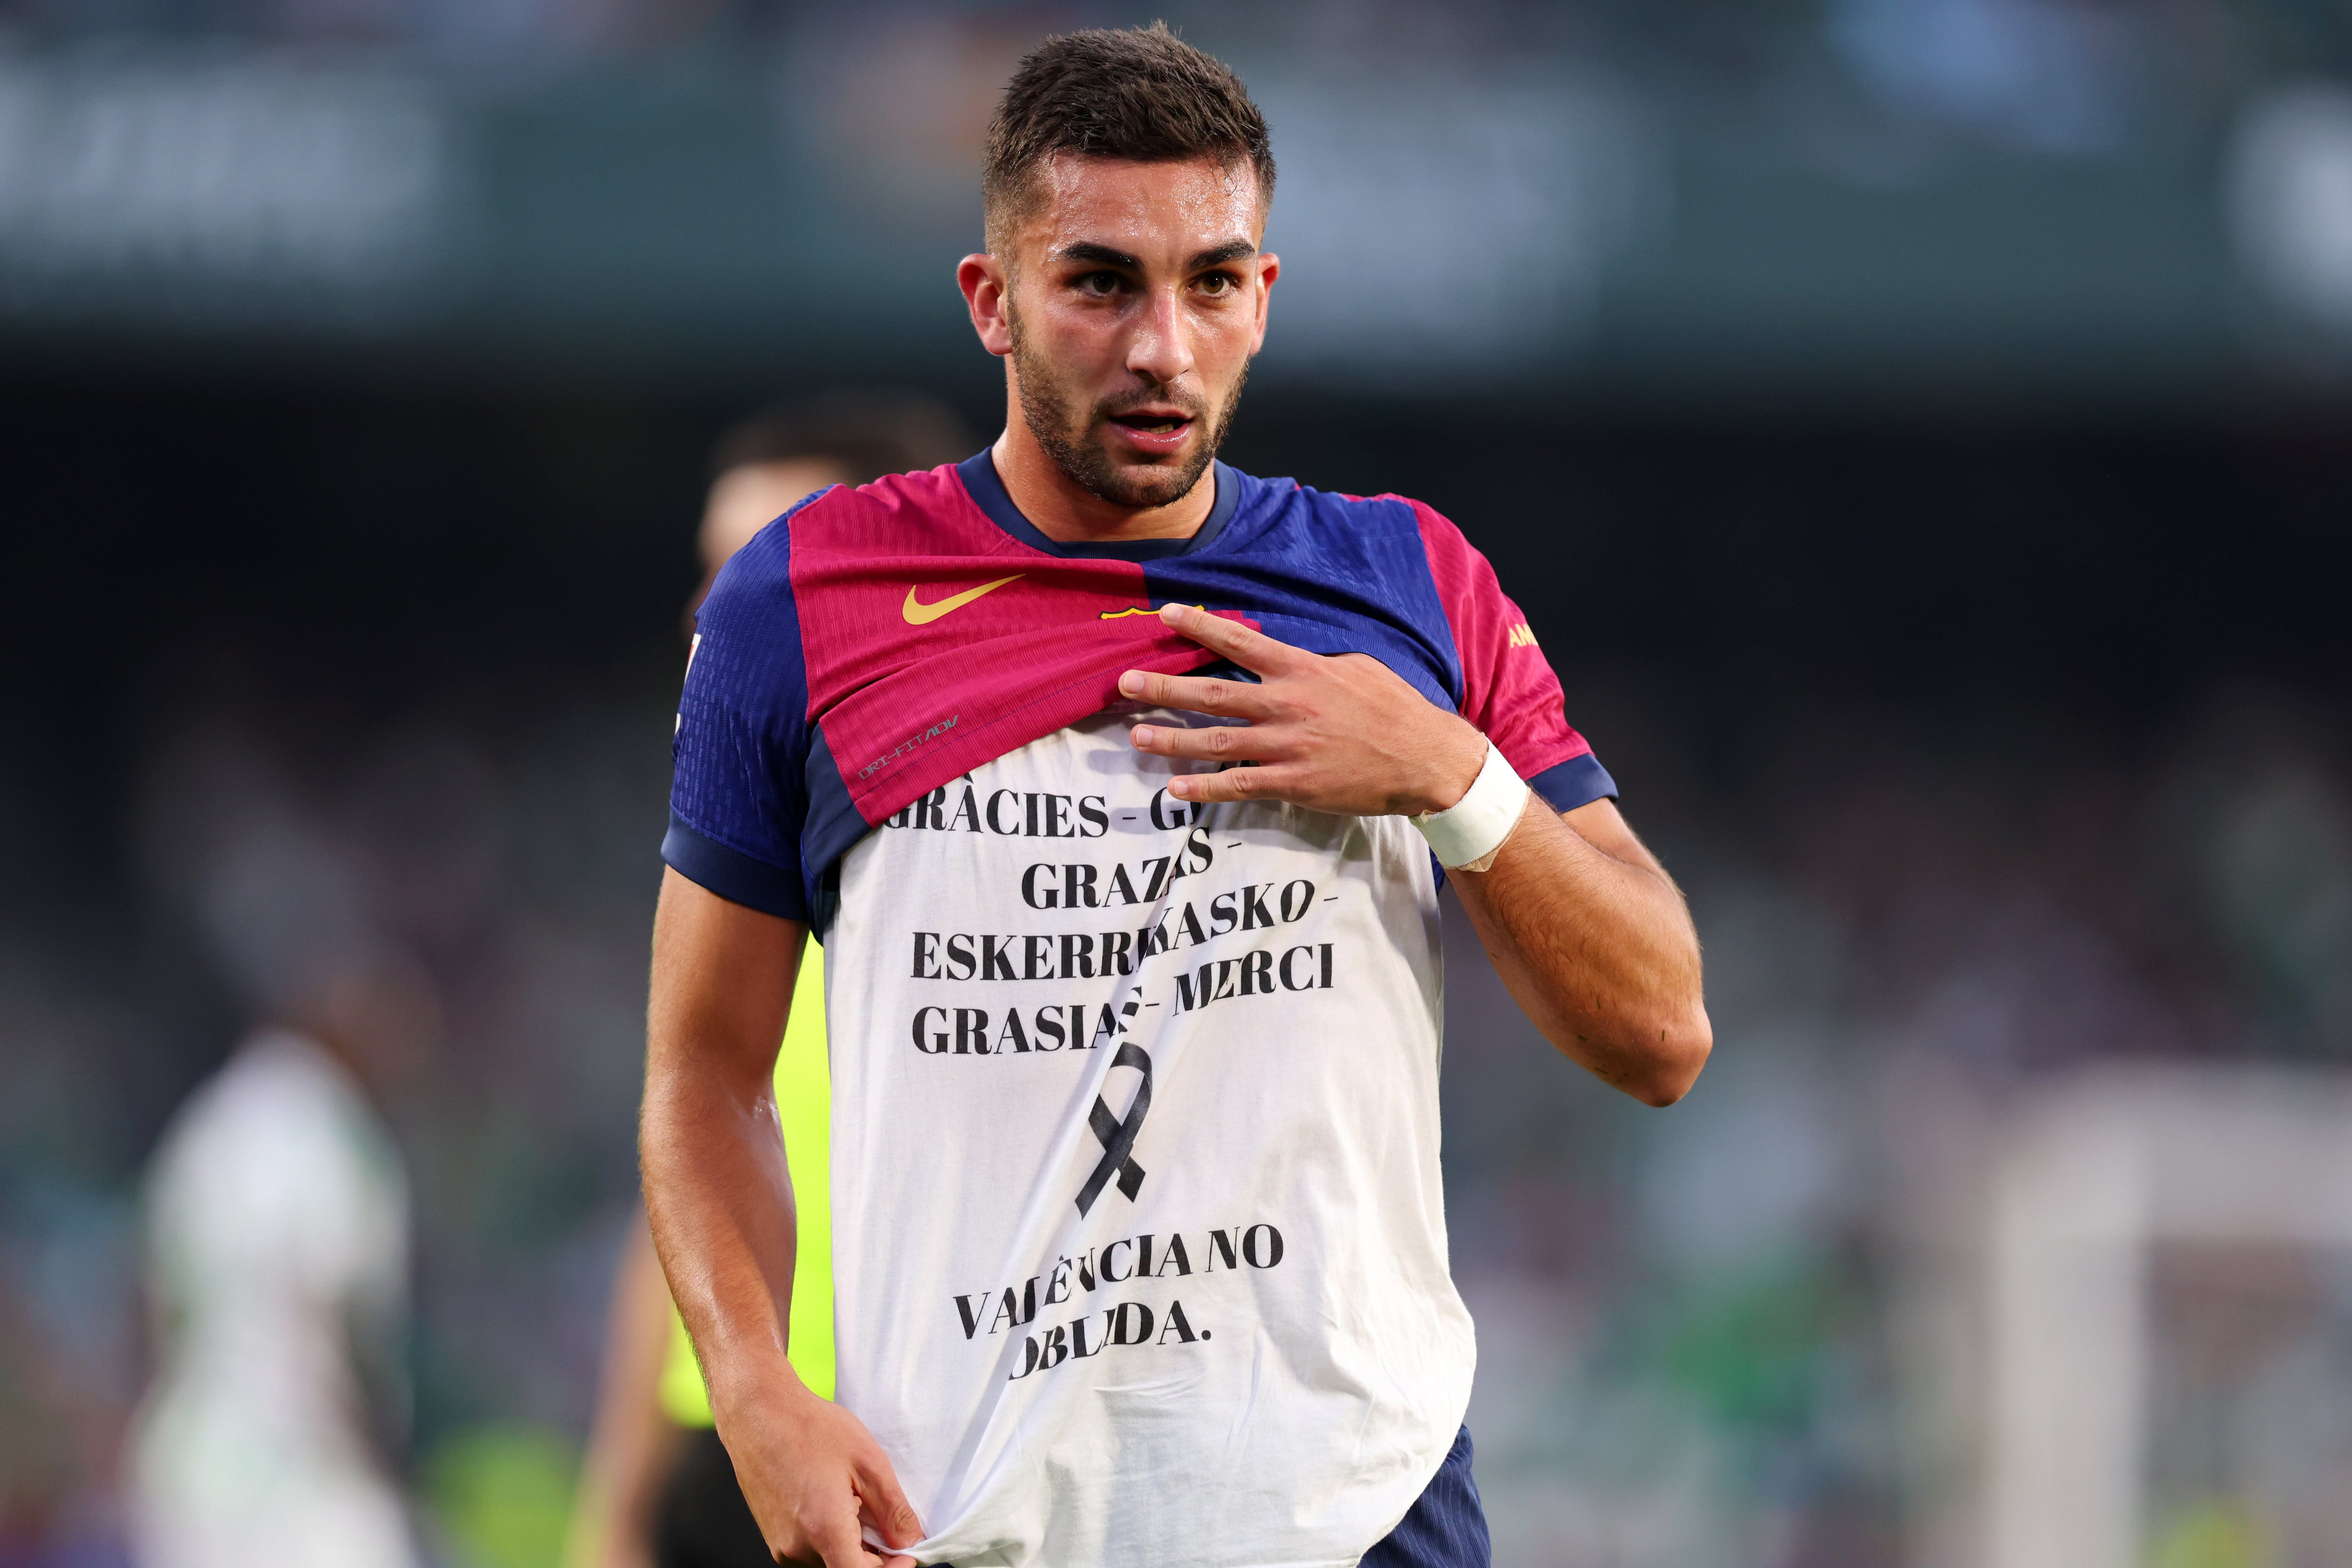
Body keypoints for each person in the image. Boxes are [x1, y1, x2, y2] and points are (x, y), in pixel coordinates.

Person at [645, 26, 1712, 1568]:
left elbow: (1665, 1029)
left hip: (1359, 1512)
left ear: (1262, 301)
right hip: (963, 1517)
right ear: (992, 300)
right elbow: (703, 1071)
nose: (1163, 345)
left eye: (1212, 282)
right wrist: (754, 1391)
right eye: (1101, 282)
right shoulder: (799, 605)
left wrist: (1447, 773)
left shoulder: (1407, 583)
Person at [569, 395, 970, 1568]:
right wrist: (623, 1503)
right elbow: (694, 1147)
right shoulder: (735, 861)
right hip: (738, 1457)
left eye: (765, 566)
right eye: (713, 572)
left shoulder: (989, 850)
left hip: (924, 1458)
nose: (720, 611)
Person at [128, 820, 427, 1568]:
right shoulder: (338, 1134)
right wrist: (389, 1442)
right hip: (304, 1470)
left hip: (191, 1463)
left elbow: (152, 1303)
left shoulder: (204, 1128)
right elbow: (343, 1307)